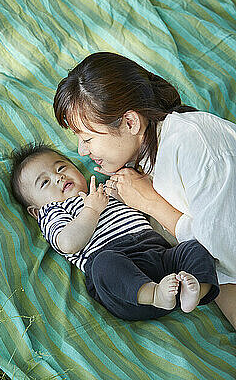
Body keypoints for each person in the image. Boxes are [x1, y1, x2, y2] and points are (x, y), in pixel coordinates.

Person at [53, 51, 236, 329]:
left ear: (130, 122)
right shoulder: (144, 155)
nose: (81, 150)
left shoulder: (194, 145)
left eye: (87, 137)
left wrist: (153, 205)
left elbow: (228, 252)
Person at [9, 143, 219, 320]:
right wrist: (91, 210)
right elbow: (67, 243)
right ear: (35, 212)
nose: (58, 178)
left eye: (61, 168)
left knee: (195, 245)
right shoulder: (52, 212)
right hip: (123, 281)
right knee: (104, 264)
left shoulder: (100, 191)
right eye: (44, 182)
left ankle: (195, 290)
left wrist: (122, 196)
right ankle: (154, 294)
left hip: (158, 255)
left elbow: (141, 211)